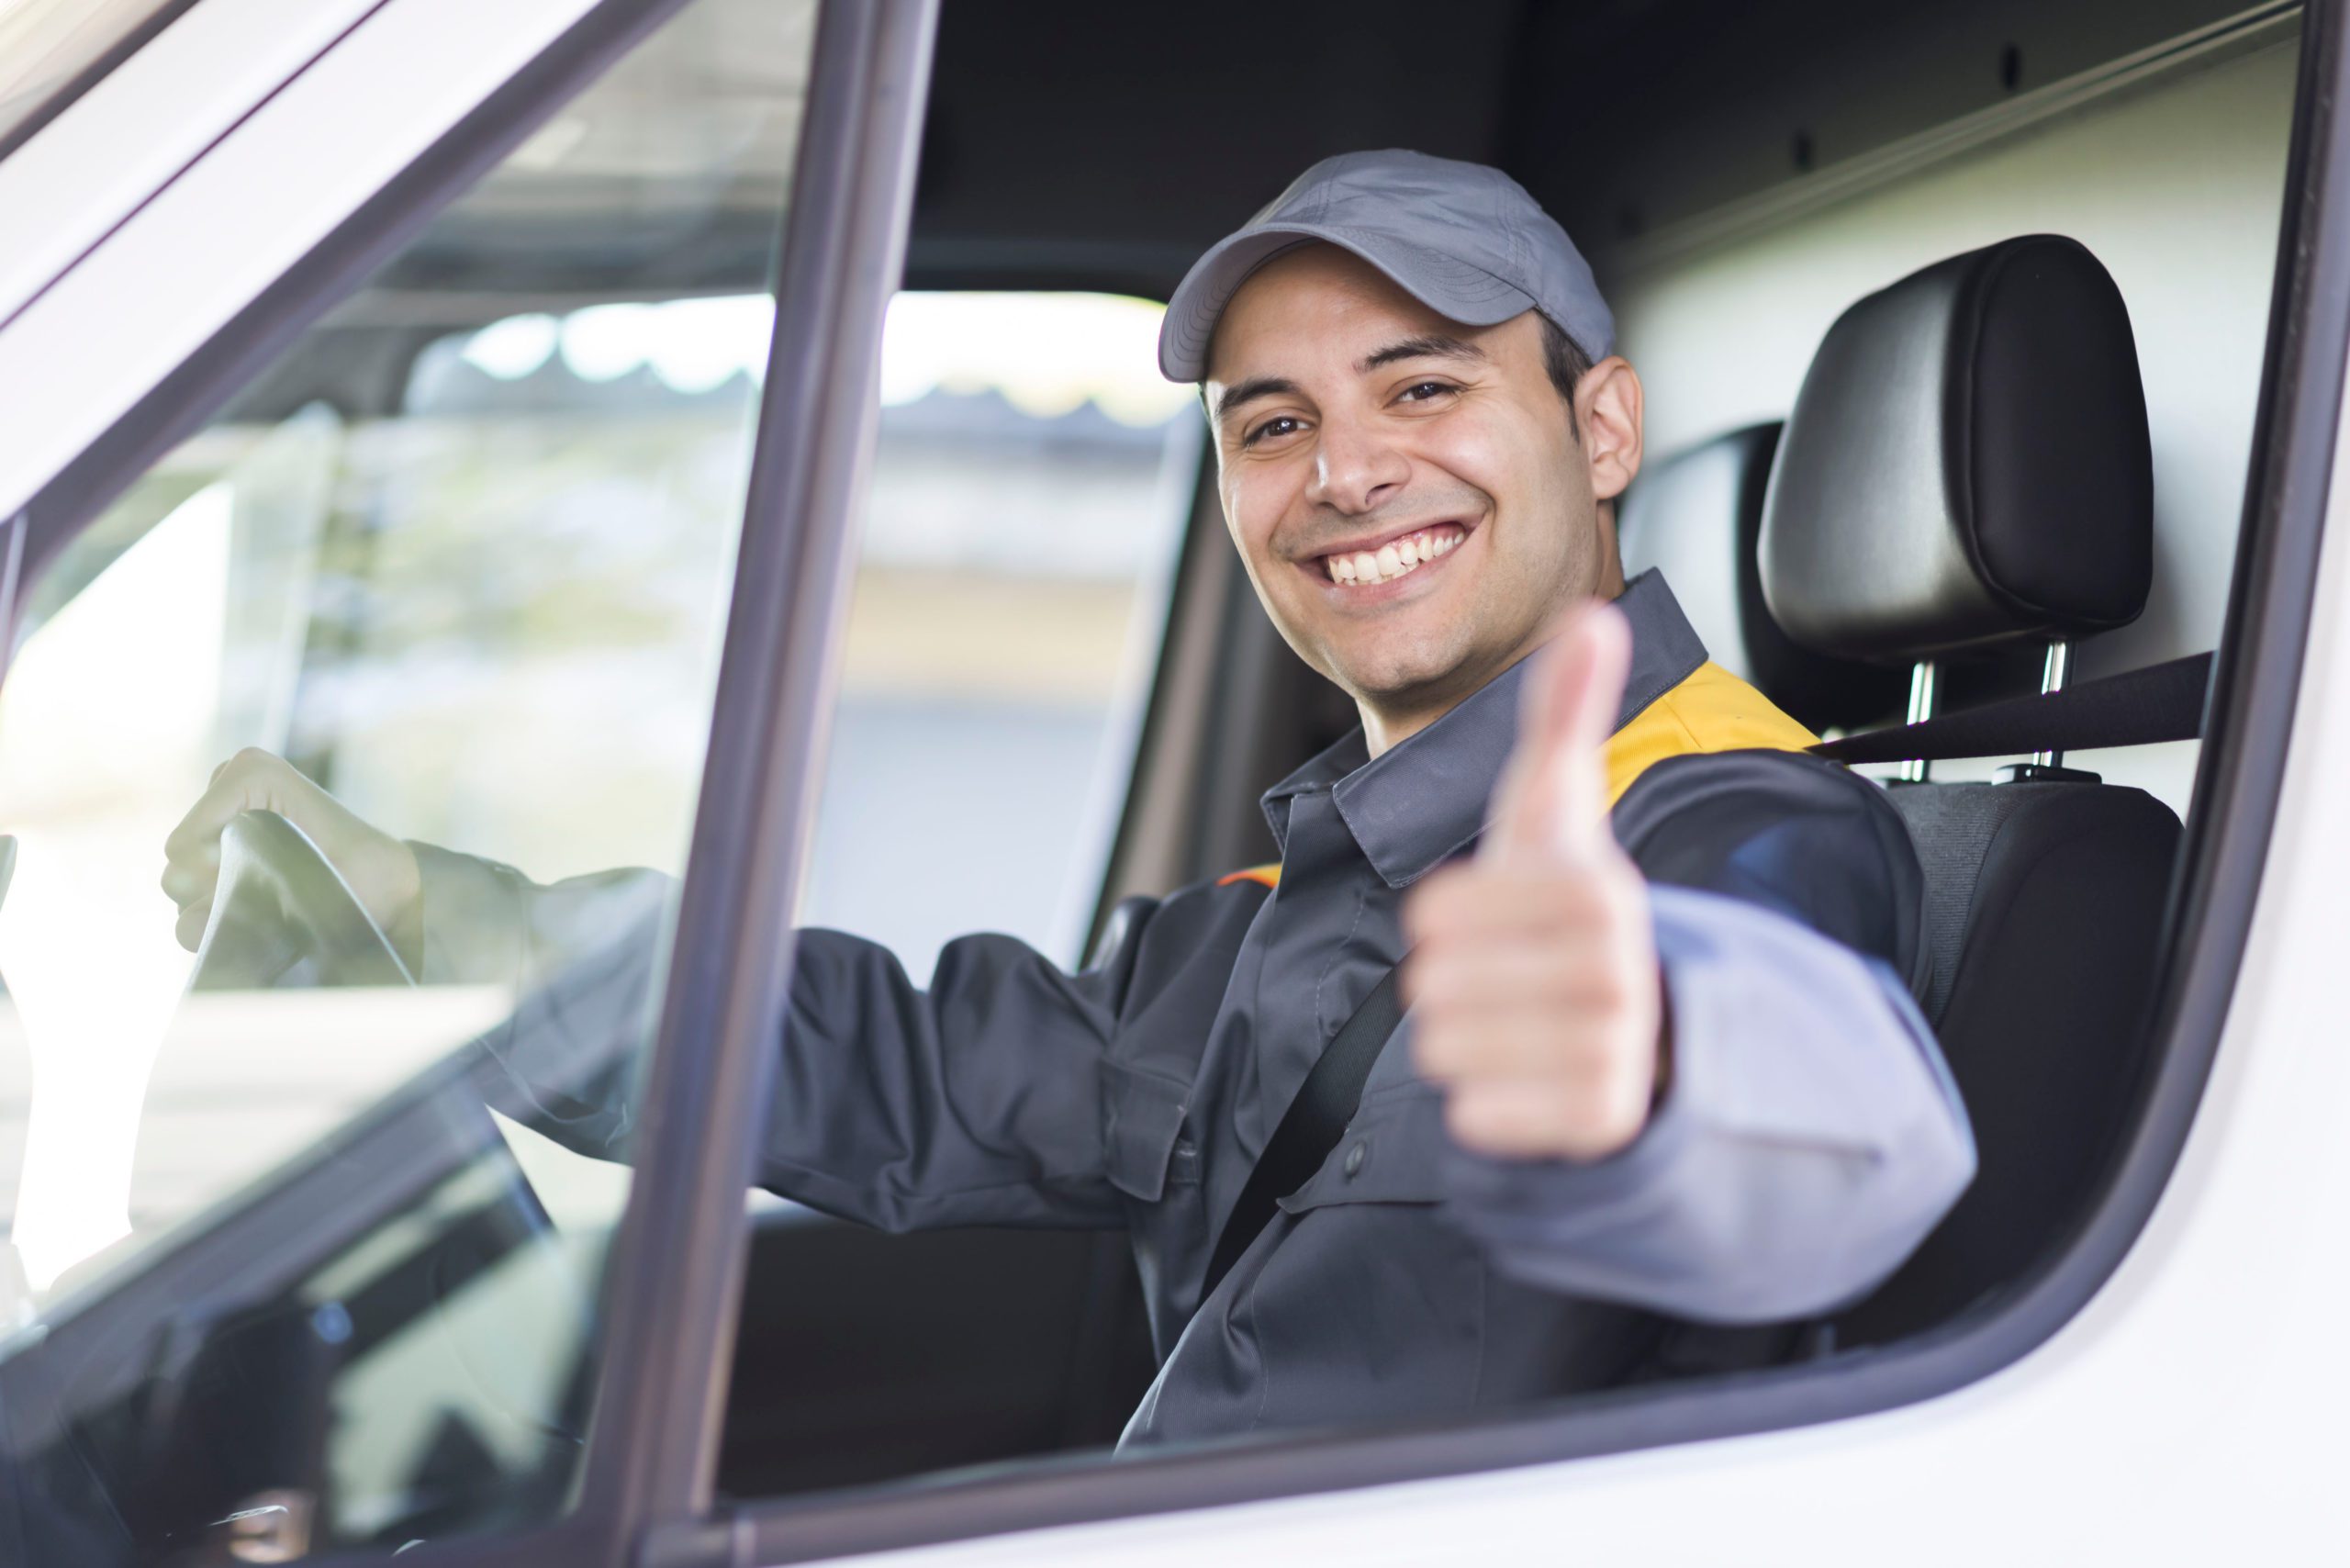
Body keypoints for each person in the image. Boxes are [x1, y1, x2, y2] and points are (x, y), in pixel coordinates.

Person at [161, 150, 1973, 1445]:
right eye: (1269, 423)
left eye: (1421, 385)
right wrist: (453, 919)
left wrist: (1655, 1063)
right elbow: (910, 1064)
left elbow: (1809, 1104)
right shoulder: (1309, 894)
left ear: (1598, 430)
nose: (1343, 468)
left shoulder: (1721, 822)